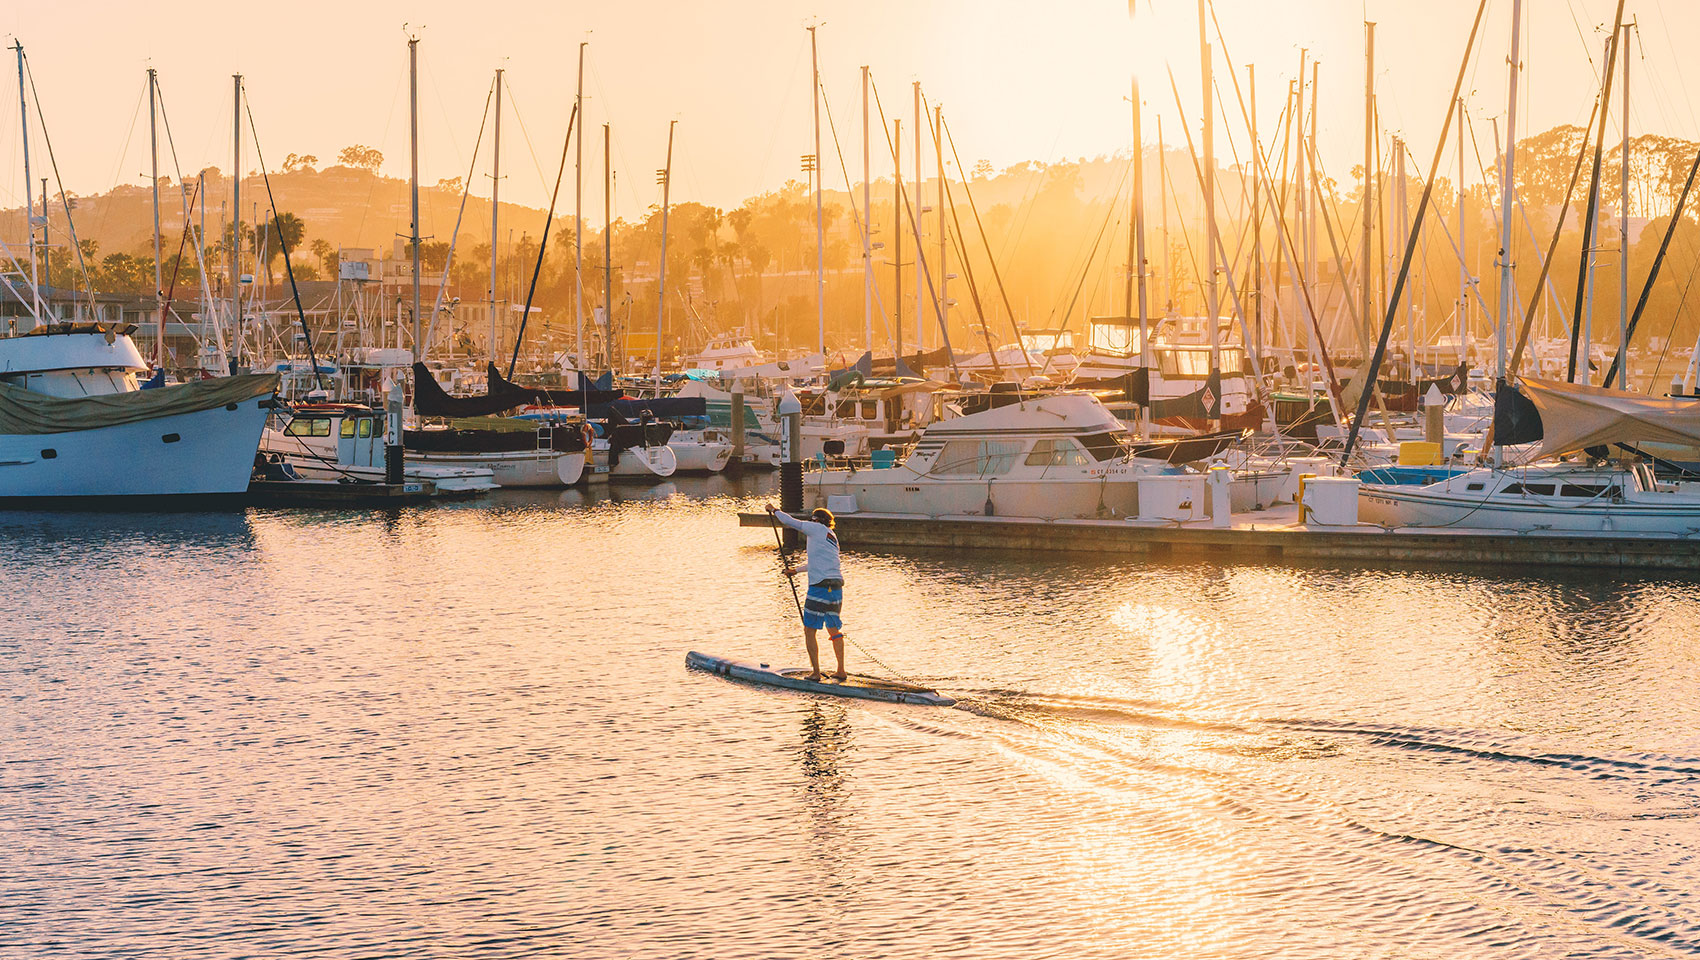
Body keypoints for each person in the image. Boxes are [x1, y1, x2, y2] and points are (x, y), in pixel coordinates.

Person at [765, 503, 846, 681]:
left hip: (820, 587)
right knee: (833, 630)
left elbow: (791, 522)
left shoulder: (815, 528)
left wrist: (774, 510)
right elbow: (817, 564)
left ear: (816, 520)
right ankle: (841, 670)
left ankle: (816, 673)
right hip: (836, 587)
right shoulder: (831, 536)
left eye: (812, 519)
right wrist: (796, 570)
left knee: (810, 630)